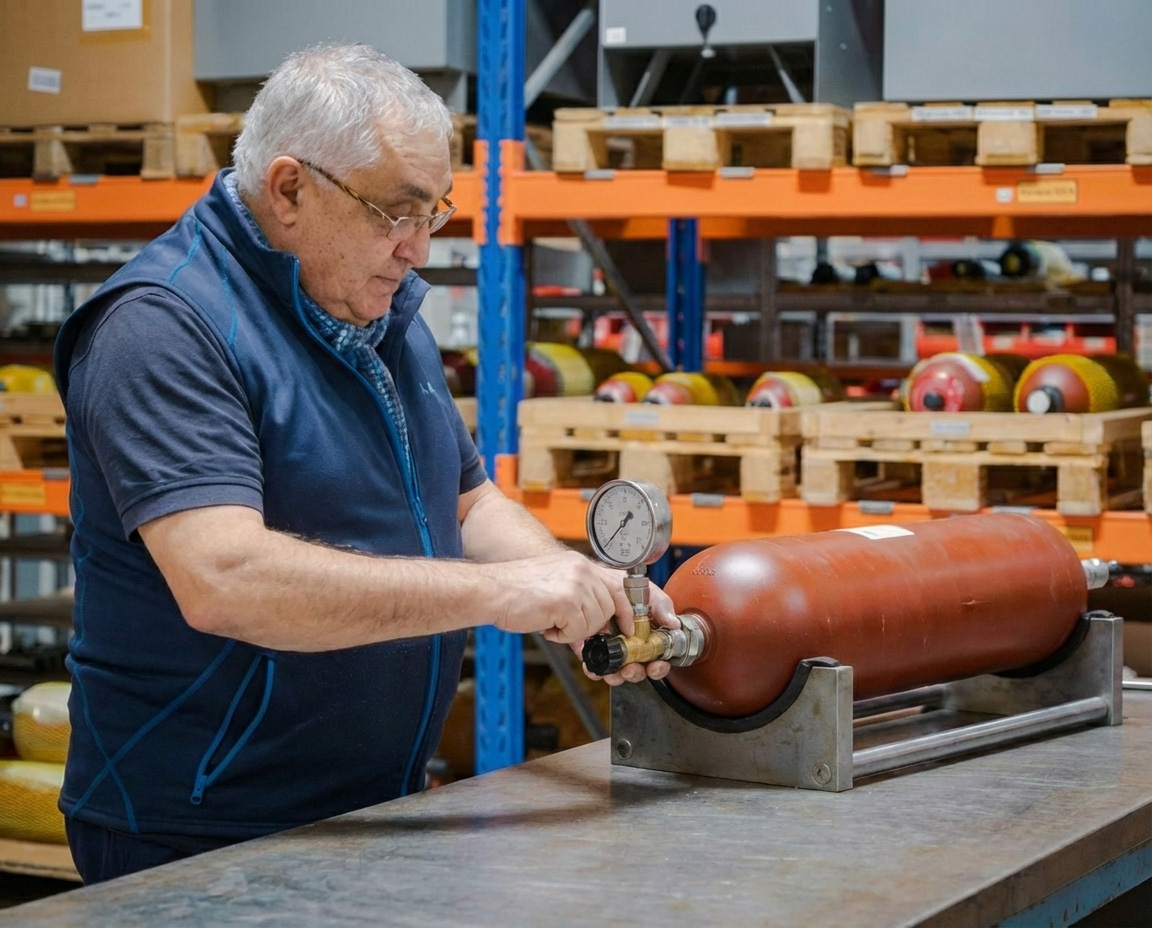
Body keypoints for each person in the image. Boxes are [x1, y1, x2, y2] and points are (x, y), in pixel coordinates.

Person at [53, 43, 677, 884]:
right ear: (288, 189)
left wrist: (575, 583)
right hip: (202, 831)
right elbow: (224, 577)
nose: (418, 248)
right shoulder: (161, 327)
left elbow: (464, 502)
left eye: (435, 214)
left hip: (371, 808)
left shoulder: (371, 308)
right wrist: (500, 595)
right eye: (397, 212)